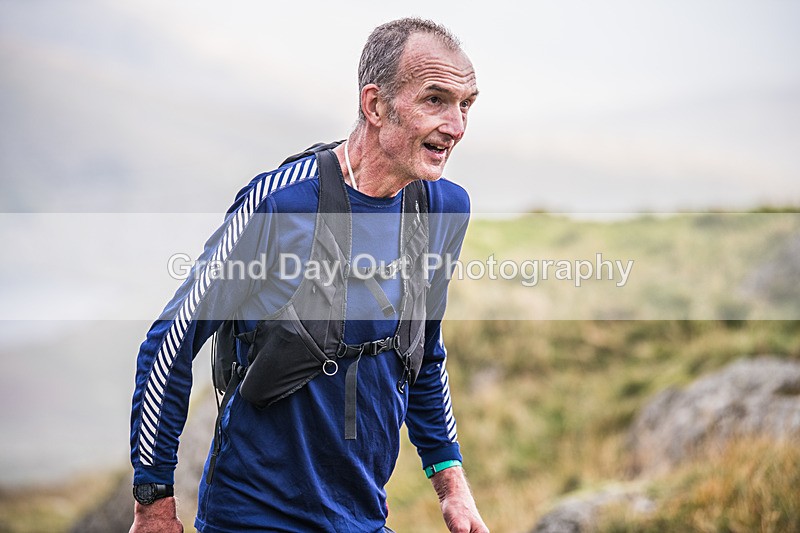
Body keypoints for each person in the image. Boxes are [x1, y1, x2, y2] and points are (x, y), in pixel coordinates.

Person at [129, 17, 487, 533]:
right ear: (375, 104)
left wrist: (452, 487)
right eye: (435, 99)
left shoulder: (444, 209)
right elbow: (171, 342)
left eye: (466, 104)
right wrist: (154, 503)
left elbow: (422, 354)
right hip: (254, 516)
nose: (455, 126)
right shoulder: (283, 202)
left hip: (361, 516)